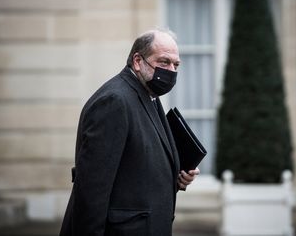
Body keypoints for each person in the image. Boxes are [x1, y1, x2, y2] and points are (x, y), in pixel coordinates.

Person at [59, 29, 200, 236]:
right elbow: (91, 189)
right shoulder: (114, 101)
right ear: (137, 61)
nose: (170, 70)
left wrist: (177, 176)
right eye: (163, 62)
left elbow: (137, 168)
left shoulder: (148, 94)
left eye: (176, 65)